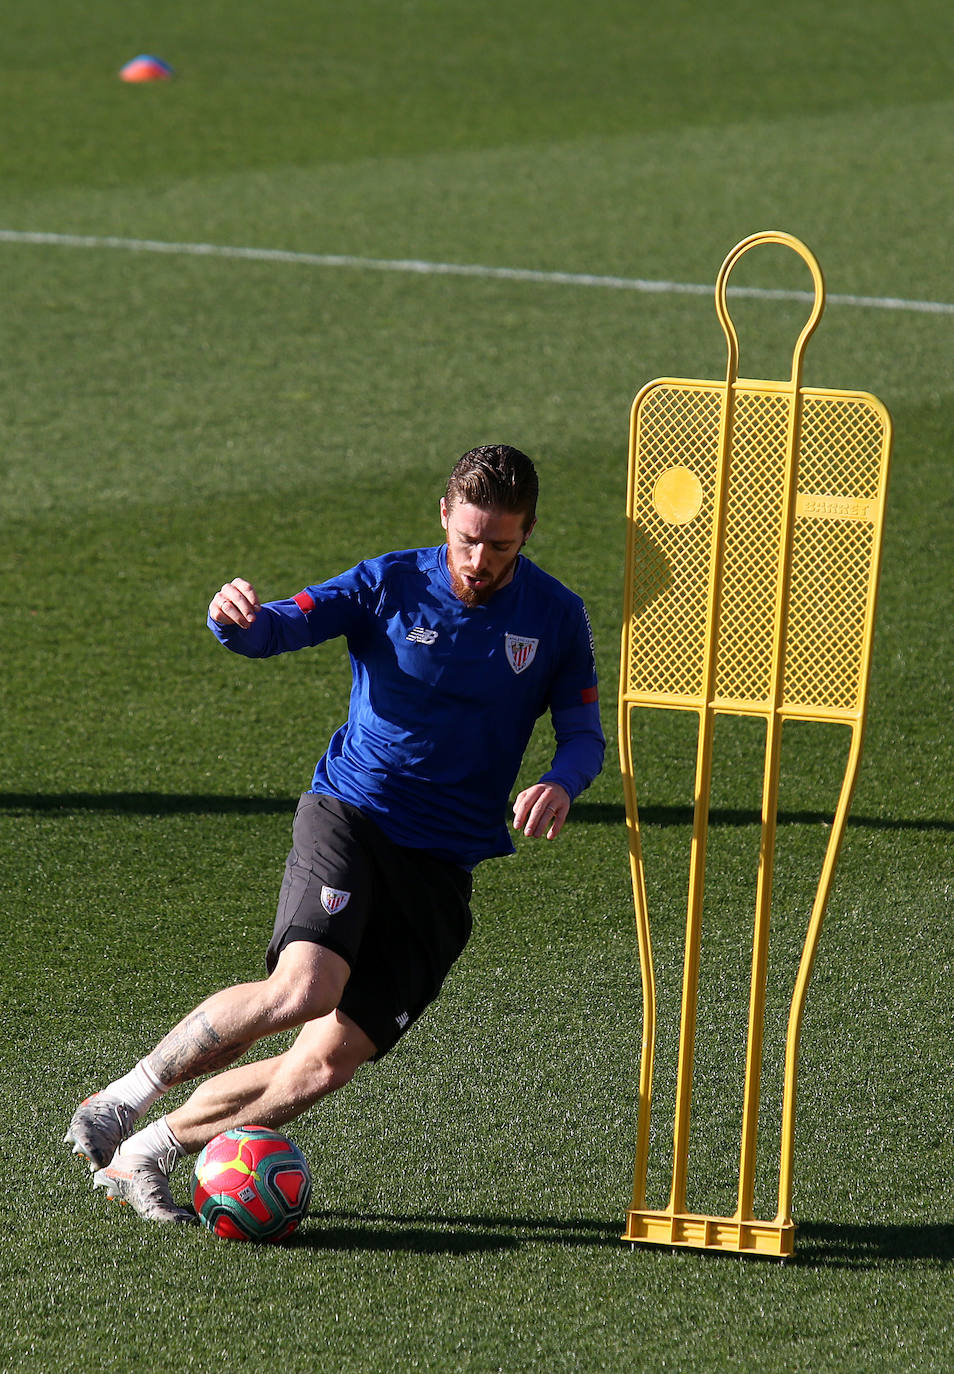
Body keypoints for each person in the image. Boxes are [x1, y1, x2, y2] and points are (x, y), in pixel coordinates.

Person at [65, 444, 605, 1223]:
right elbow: (278, 628)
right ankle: (122, 1100)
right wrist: (236, 619)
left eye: (501, 545)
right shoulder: (388, 582)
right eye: (469, 539)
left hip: (444, 863)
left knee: (325, 1064)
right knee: (305, 988)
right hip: (353, 813)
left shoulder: (555, 617)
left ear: (528, 534)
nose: (481, 560)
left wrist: (563, 780)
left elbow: (584, 732)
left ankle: (147, 1153)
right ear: (444, 515)